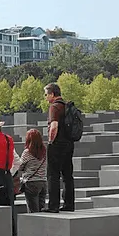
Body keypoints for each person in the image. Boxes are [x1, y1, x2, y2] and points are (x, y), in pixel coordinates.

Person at [43, 83, 75, 213]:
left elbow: (54, 126)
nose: (45, 97)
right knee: (67, 175)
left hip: (57, 144)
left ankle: (53, 206)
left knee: (53, 175)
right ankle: (69, 204)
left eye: (46, 94)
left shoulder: (54, 107)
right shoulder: (66, 106)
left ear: (52, 94)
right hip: (69, 144)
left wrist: (51, 141)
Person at [17, 129, 47, 213]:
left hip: (31, 182)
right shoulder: (44, 151)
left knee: (33, 211)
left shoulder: (27, 152)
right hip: (43, 181)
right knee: (41, 209)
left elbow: (20, 166)